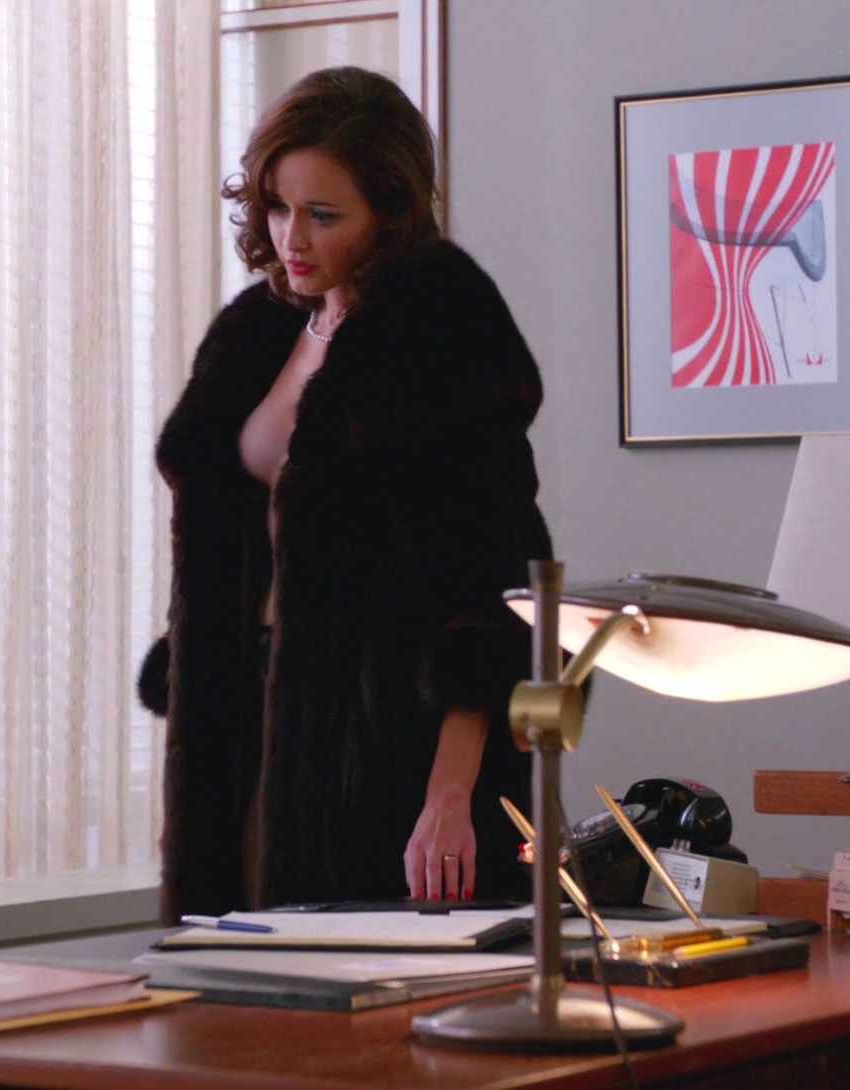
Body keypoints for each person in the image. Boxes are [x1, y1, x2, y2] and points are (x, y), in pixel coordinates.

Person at [138, 67, 553, 919]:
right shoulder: (258, 332)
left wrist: (450, 796)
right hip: (244, 733)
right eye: (278, 206)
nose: (292, 237)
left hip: (382, 751)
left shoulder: (440, 336)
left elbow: (497, 595)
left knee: (360, 984)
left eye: (324, 215)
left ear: (389, 216)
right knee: (228, 978)